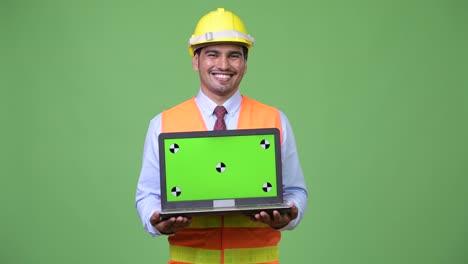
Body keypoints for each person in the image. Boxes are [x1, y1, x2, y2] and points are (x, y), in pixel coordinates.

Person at [135, 7, 308, 264]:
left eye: (234, 55)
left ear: (245, 63)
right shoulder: (163, 123)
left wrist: (290, 216)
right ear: (196, 61)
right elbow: (147, 195)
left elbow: (295, 191)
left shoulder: (274, 119)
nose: (223, 65)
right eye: (213, 54)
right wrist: (156, 220)